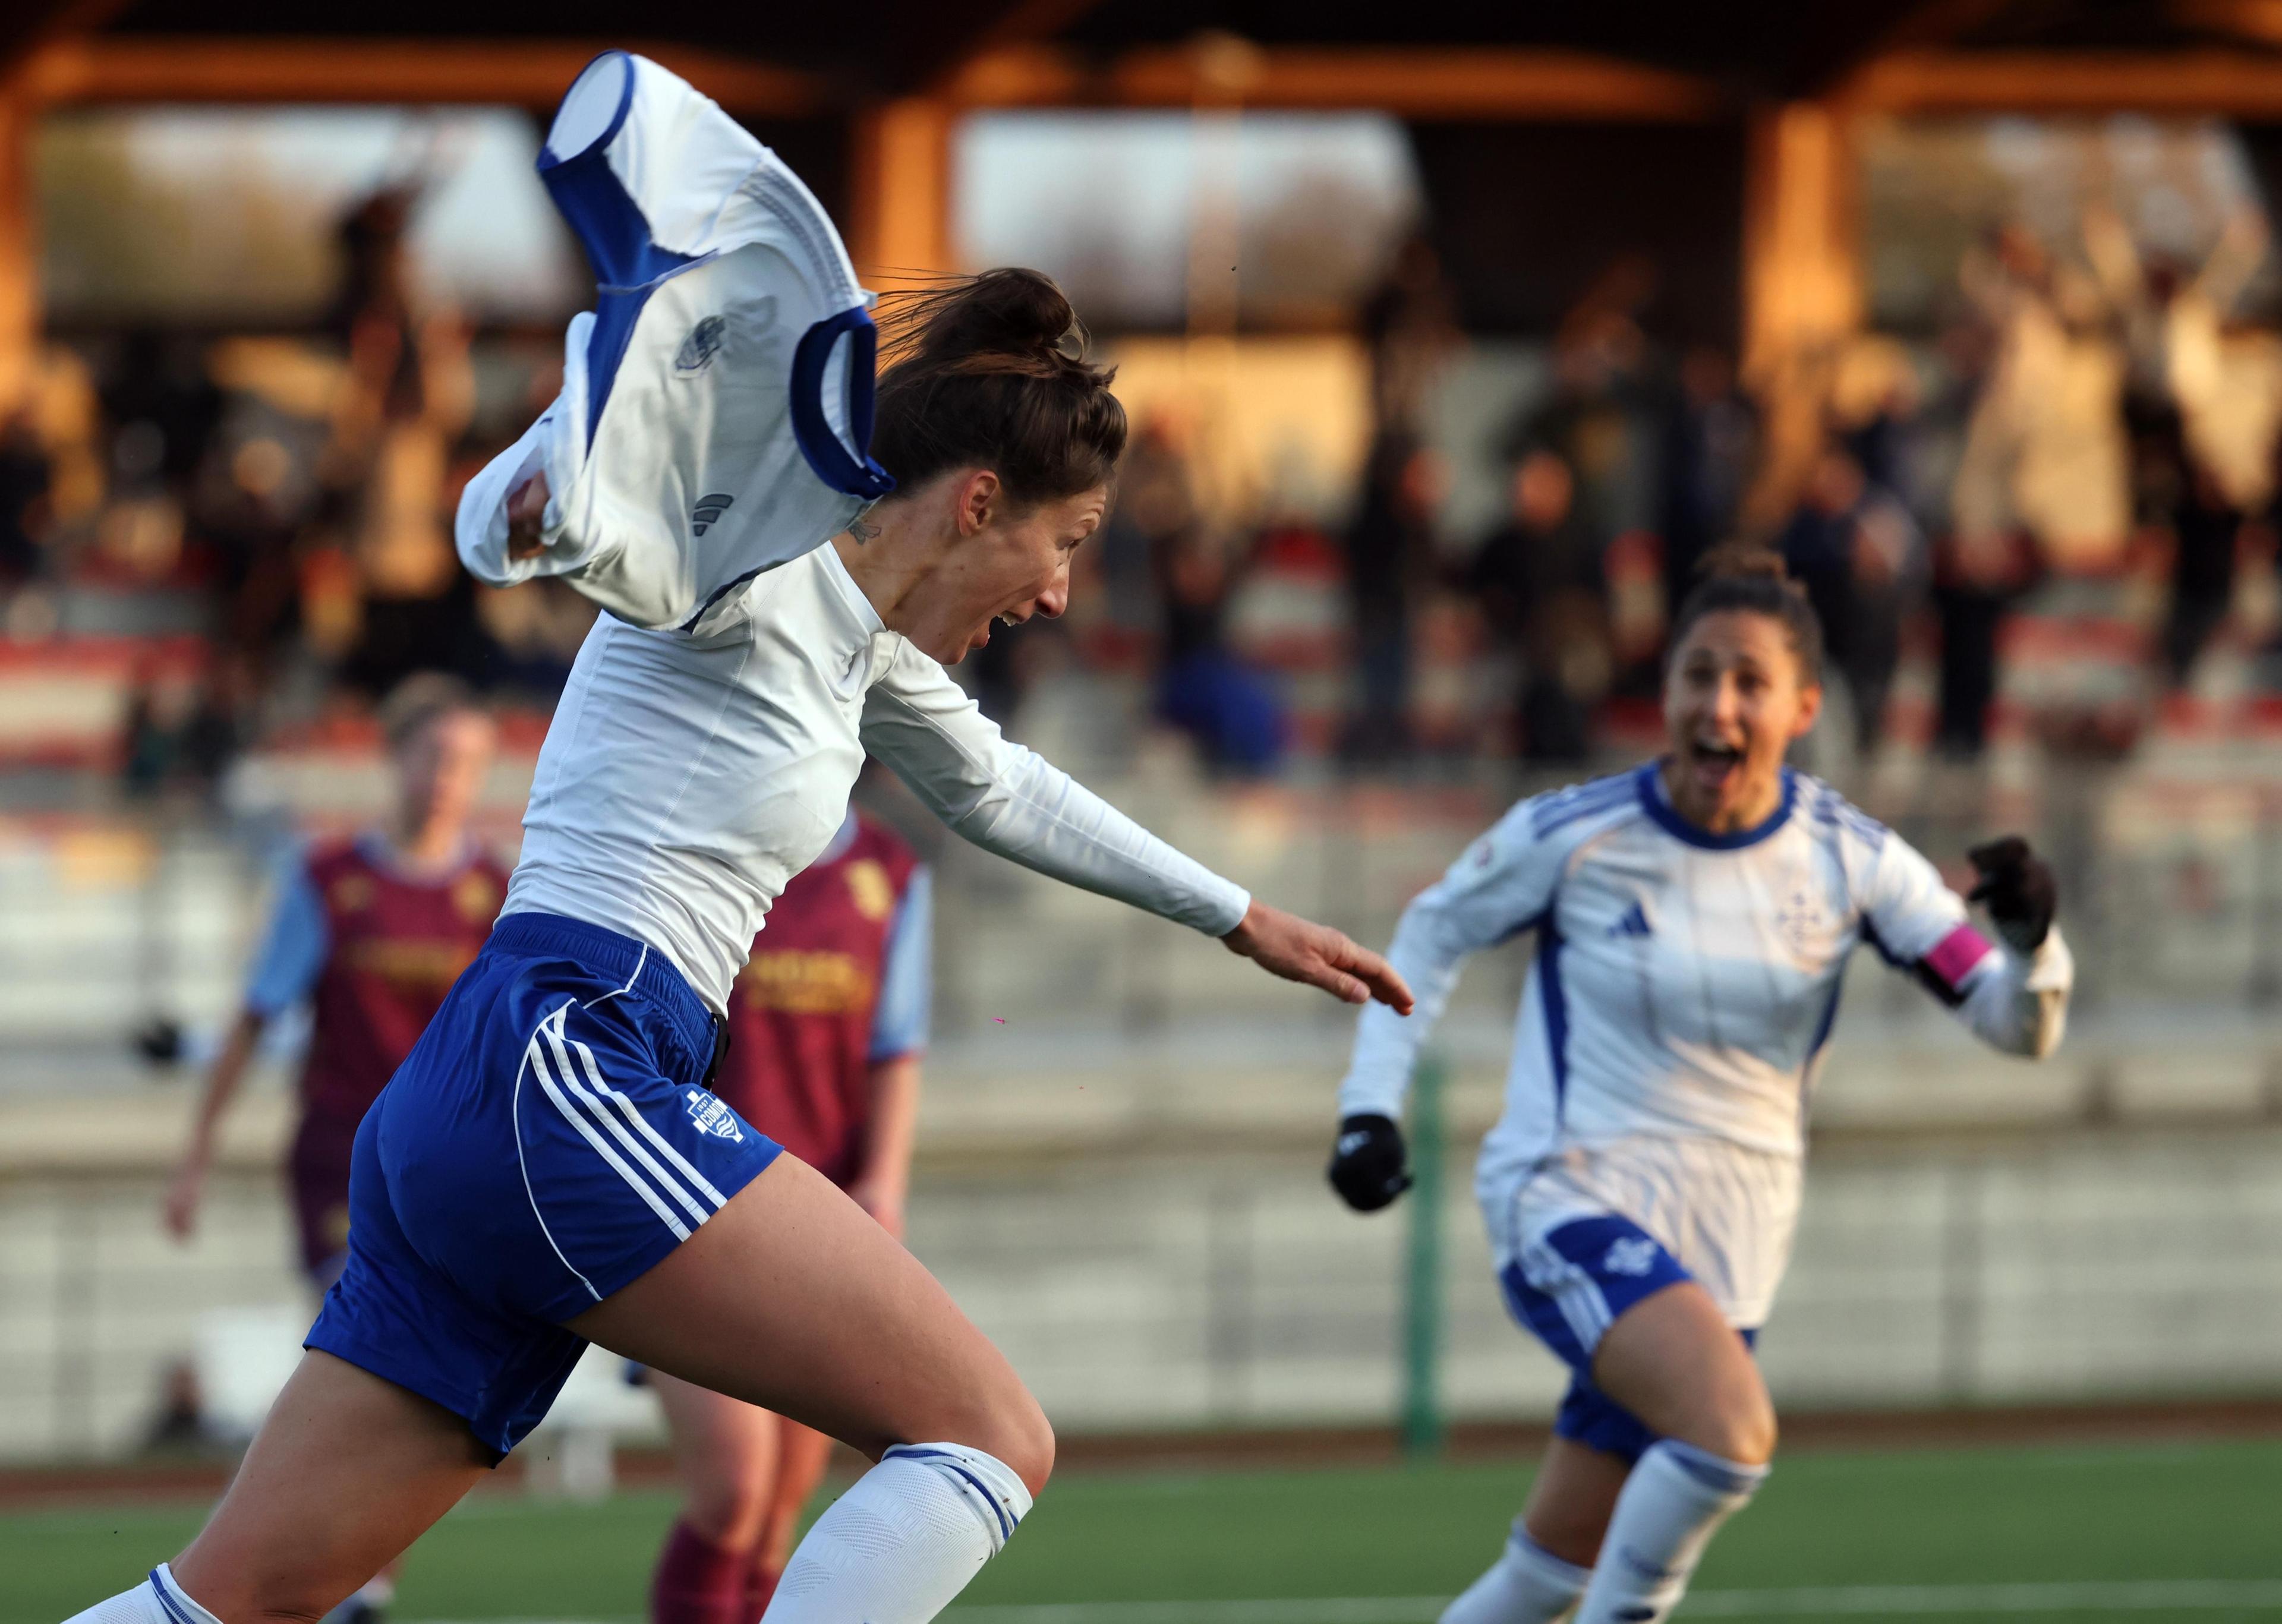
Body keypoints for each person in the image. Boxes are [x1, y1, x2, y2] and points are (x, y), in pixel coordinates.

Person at [61, 53, 1410, 1624]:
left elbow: (1002, 789)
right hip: (570, 1059)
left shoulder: (865, 650)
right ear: (980, 502)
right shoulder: (752, 562)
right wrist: (537, 494)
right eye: (1069, 542)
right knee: (988, 1434)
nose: (1061, 590)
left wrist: (1242, 914)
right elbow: (553, 522)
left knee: (228, 1602)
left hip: (485, 1095)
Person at [1326, 547, 2072, 1624]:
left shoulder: (1854, 861)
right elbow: (1431, 932)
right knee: (1731, 1432)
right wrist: (1369, 1107)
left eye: (1749, 681)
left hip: (1730, 1262)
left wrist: (2036, 943)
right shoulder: (1576, 835)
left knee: (1547, 1575)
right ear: (1667, 689)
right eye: (1698, 675)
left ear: (1804, 707)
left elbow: (2012, 1021)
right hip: (1567, 1199)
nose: (1719, 705)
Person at [162, 673, 502, 1624]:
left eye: (467, 761)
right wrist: (193, 1160)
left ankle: (359, 1584)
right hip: (344, 1162)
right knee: (373, 1354)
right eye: (433, 754)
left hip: (453, 1170)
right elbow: (253, 1018)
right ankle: (289, 1571)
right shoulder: (328, 880)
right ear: (395, 758)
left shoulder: (499, 891)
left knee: (425, 1381)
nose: (447, 776)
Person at [647, 805, 932, 1624]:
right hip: (691, 1207)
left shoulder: (890, 873)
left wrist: (883, 1184)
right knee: (734, 1488)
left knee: (777, 1517)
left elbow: (895, 1045)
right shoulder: (700, 838)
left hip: (820, 1217)